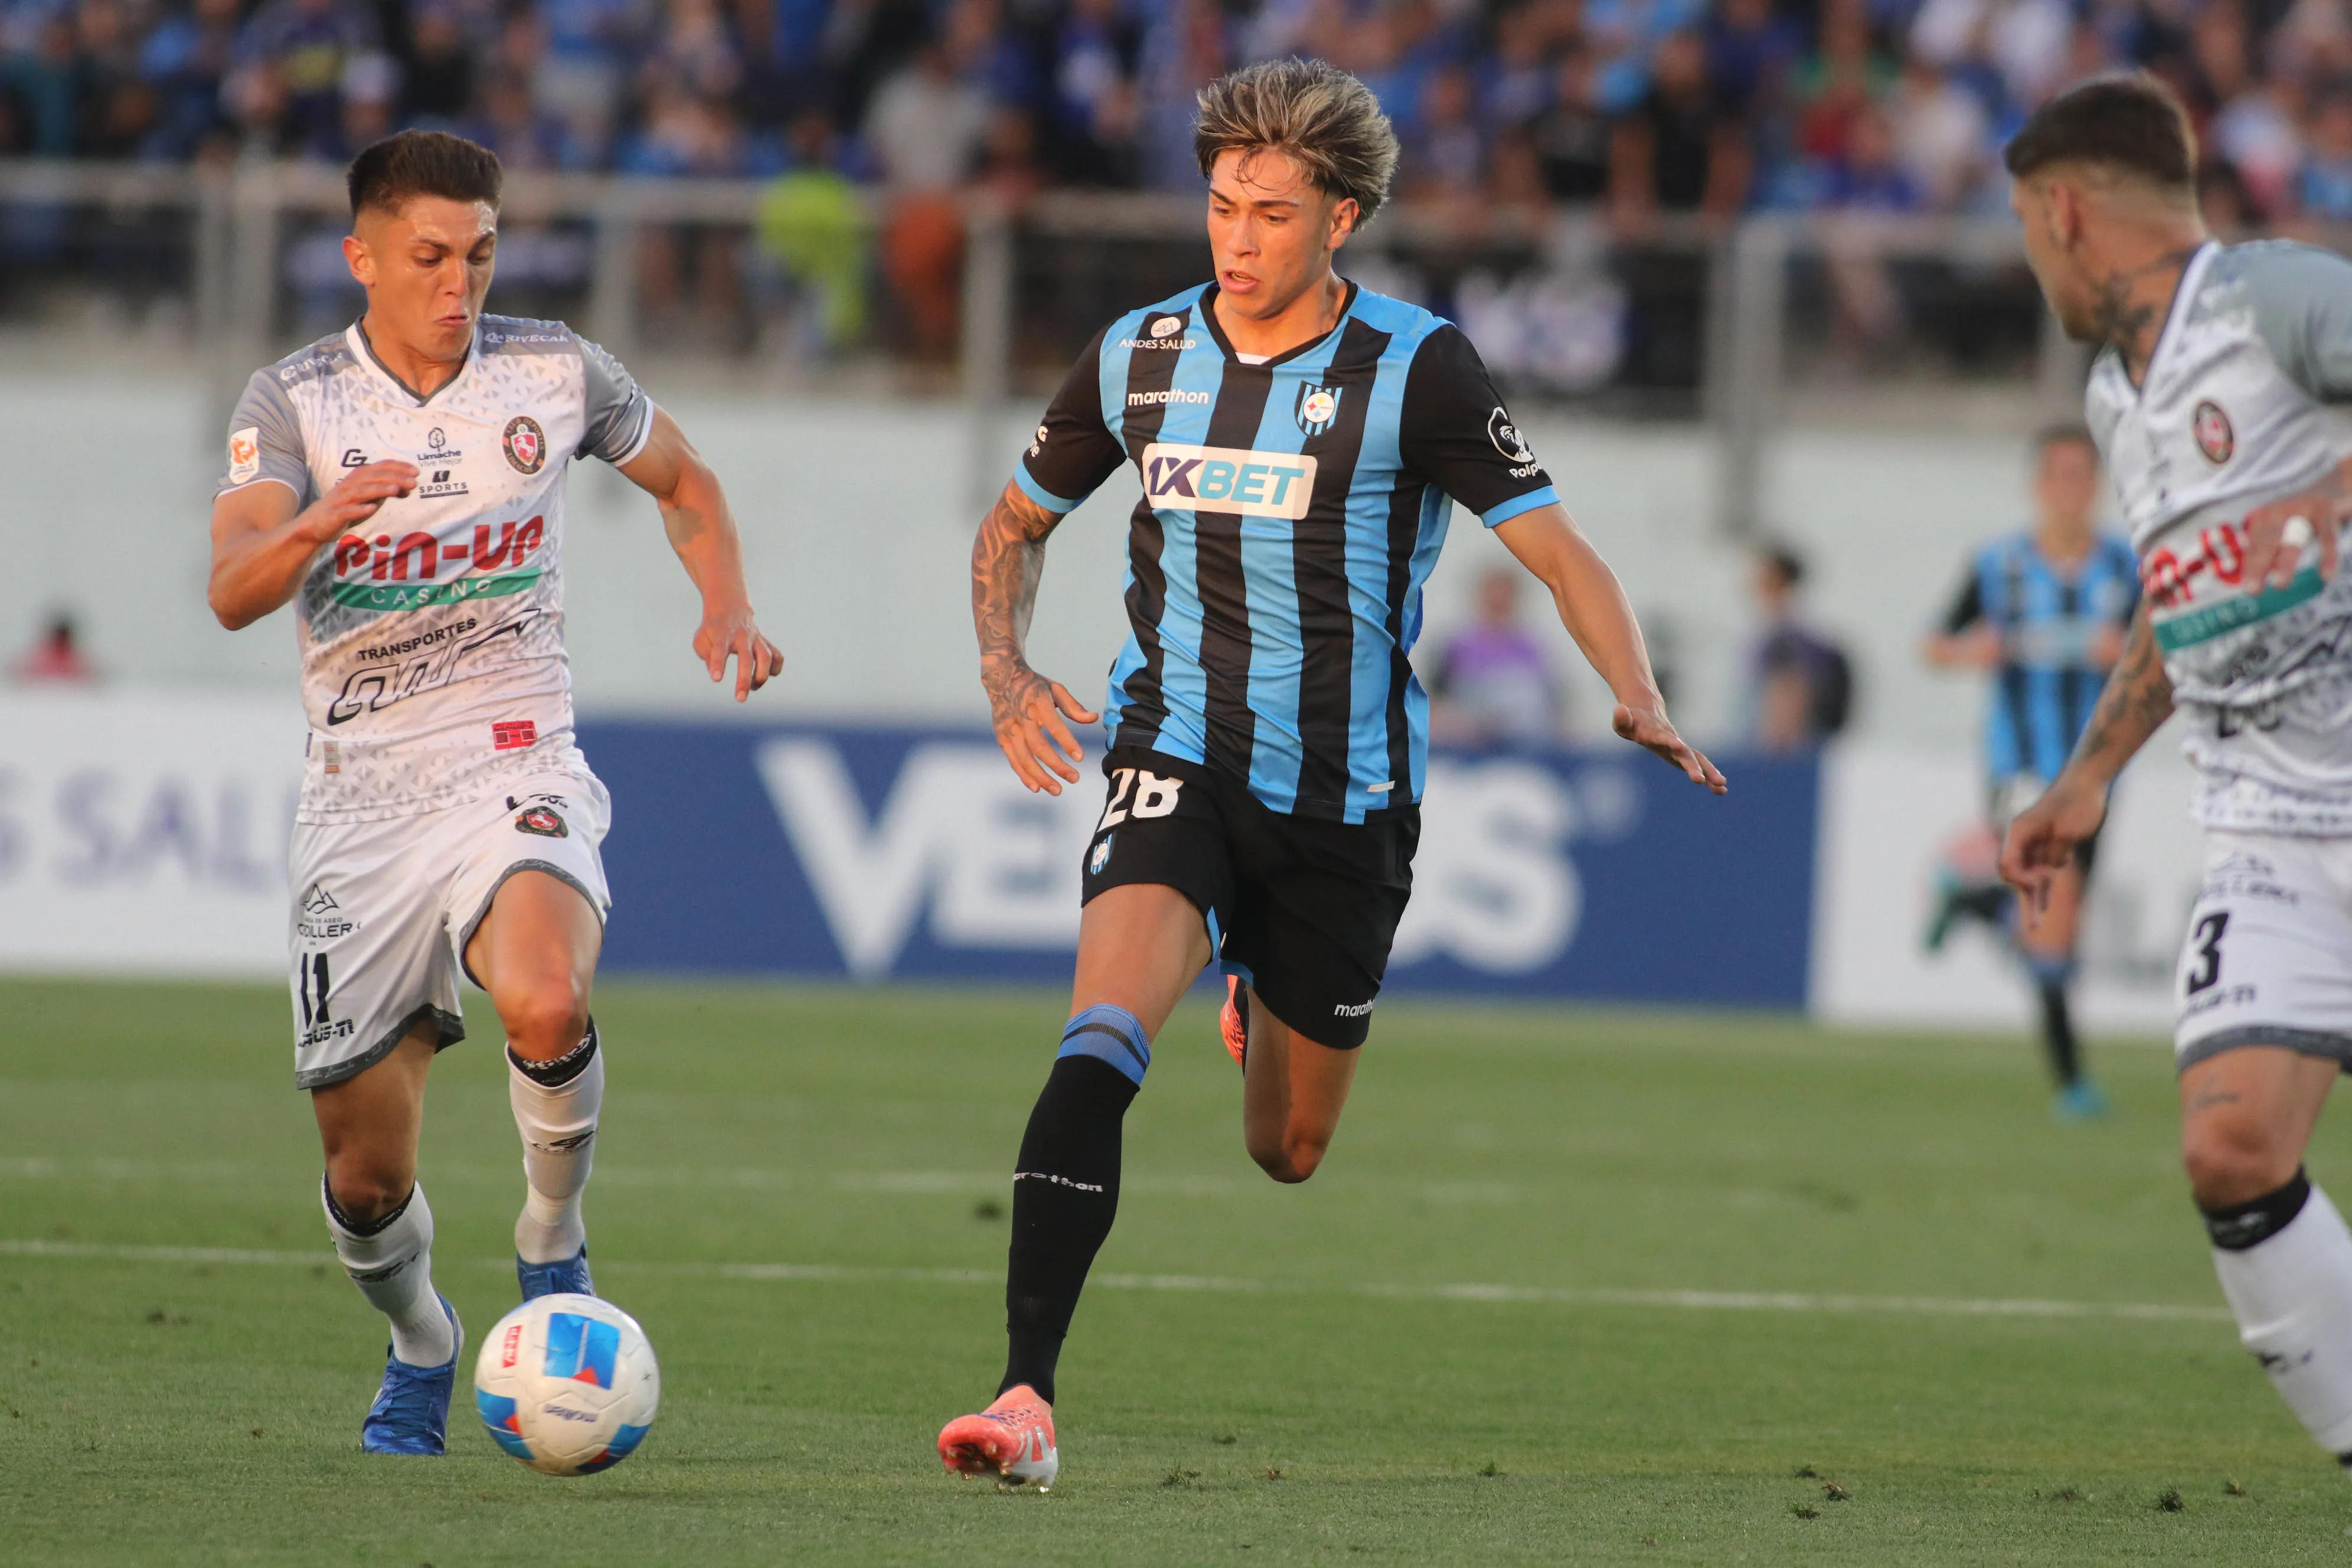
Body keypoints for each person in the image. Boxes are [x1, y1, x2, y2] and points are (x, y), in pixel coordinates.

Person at [935, 58, 1724, 1492]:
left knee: (1287, 1149)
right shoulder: (1140, 354)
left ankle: (1257, 978)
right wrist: (1005, 670)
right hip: (1170, 746)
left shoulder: (1420, 369)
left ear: (1342, 220)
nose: (1238, 240)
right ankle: (1024, 1393)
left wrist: (1636, 691)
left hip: (1345, 799)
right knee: (1098, 1040)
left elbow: (1560, 550)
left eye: (1272, 214)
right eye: (1223, 206)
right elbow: (1012, 525)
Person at [205, 130, 780, 1457]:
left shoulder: (554, 370)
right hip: (361, 801)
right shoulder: (292, 403)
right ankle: (422, 1338)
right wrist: (316, 520)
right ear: (362, 257)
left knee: (546, 990)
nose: (458, 282)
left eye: (480, 253)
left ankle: (551, 1238)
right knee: (364, 1179)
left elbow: (686, 483)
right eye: (427, 257)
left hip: (514, 754)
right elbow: (235, 591)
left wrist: (728, 602)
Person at [1998, 74, 2352, 1478]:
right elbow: (2177, 589)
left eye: (2028, 233)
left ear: (2063, 211)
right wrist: (2087, 776)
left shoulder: (2265, 298)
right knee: (2230, 1151)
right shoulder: (2115, 396)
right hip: (2265, 826)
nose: (2035, 262)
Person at [1923, 424, 2138, 1119]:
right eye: (2059, 477)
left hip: (2098, 772)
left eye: (2084, 477)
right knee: (2053, 905)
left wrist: (2129, 652)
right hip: (2018, 767)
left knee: (2058, 927)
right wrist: (1971, 652)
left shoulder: (2126, 568)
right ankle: (2073, 1082)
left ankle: (1973, 899)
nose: (2071, 491)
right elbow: (1933, 644)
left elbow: (2168, 652)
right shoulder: (1999, 565)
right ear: (2038, 485)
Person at [1429, 566, 1567, 744]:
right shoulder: (1455, 647)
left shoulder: (1534, 650)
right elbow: (1434, 701)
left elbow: (1556, 708)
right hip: (1467, 745)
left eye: (1505, 597)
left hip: (1524, 745)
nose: (1499, 602)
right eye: (1493, 597)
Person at [1748, 545, 1853, 752]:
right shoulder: (1774, 632)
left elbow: (1791, 694)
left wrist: (1775, 751)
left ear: (1777, 579)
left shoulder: (1787, 638)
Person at [11, 611, 96, 684]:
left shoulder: (77, 660)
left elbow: (92, 678)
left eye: (63, 639)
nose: (61, 642)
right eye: (59, 638)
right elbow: (18, 673)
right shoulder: (39, 658)